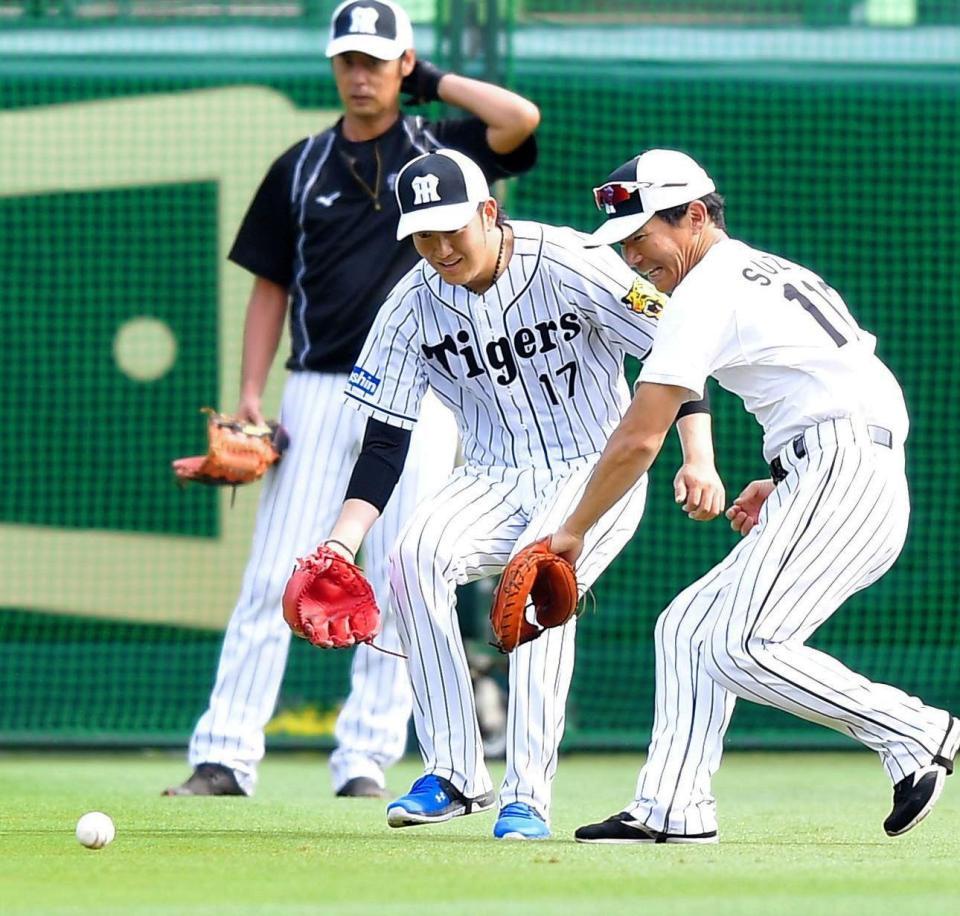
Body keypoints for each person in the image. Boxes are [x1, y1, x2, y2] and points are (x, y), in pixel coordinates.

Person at [164, 0, 540, 800]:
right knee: (276, 576)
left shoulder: (444, 153)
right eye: (349, 60)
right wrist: (250, 400)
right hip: (321, 388)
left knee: (403, 577)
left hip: (427, 396)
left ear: (404, 65)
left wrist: (432, 79)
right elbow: (271, 286)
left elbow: (519, 118)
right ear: (333, 67)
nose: (360, 74)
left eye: (378, 58)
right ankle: (225, 754)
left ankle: (366, 758)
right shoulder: (299, 165)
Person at [547, 148, 960, 843]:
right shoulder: (765, 270)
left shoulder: (706, 289)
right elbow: (855, 377)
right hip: (842, 463)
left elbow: (639, 438)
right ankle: (671, 807)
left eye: (642, 237)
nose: (634, 259)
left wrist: (571, 530)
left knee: (741, 645)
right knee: (685, 628)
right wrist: (792, 472)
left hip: (844, 467)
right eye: (623, 245)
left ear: (696, 217)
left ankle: (917, 729)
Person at [315, 147, 723, 839]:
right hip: (491, 474)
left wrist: (699, 457)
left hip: (597, 470)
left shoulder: (568, 261)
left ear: (489, 212)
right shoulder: (410, 307)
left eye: (453, 229)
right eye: (423, 234)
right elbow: (384, 444)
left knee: (538, 581)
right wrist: (338, 544)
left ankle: (526, 796)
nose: (440, 247)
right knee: (412, 557)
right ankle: (453, 773)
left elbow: (673, 352)